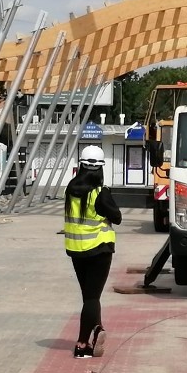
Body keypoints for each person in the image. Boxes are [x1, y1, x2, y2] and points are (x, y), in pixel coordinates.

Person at [64, 145, 122, 358]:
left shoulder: (70, 189)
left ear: (81, 166)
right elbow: (117, 217)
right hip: (99, 249)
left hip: (76, 250)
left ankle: (98, 329)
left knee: (89, 296)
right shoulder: (100, 193)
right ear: (100, 169)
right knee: (92, 298)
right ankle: (81, 345)